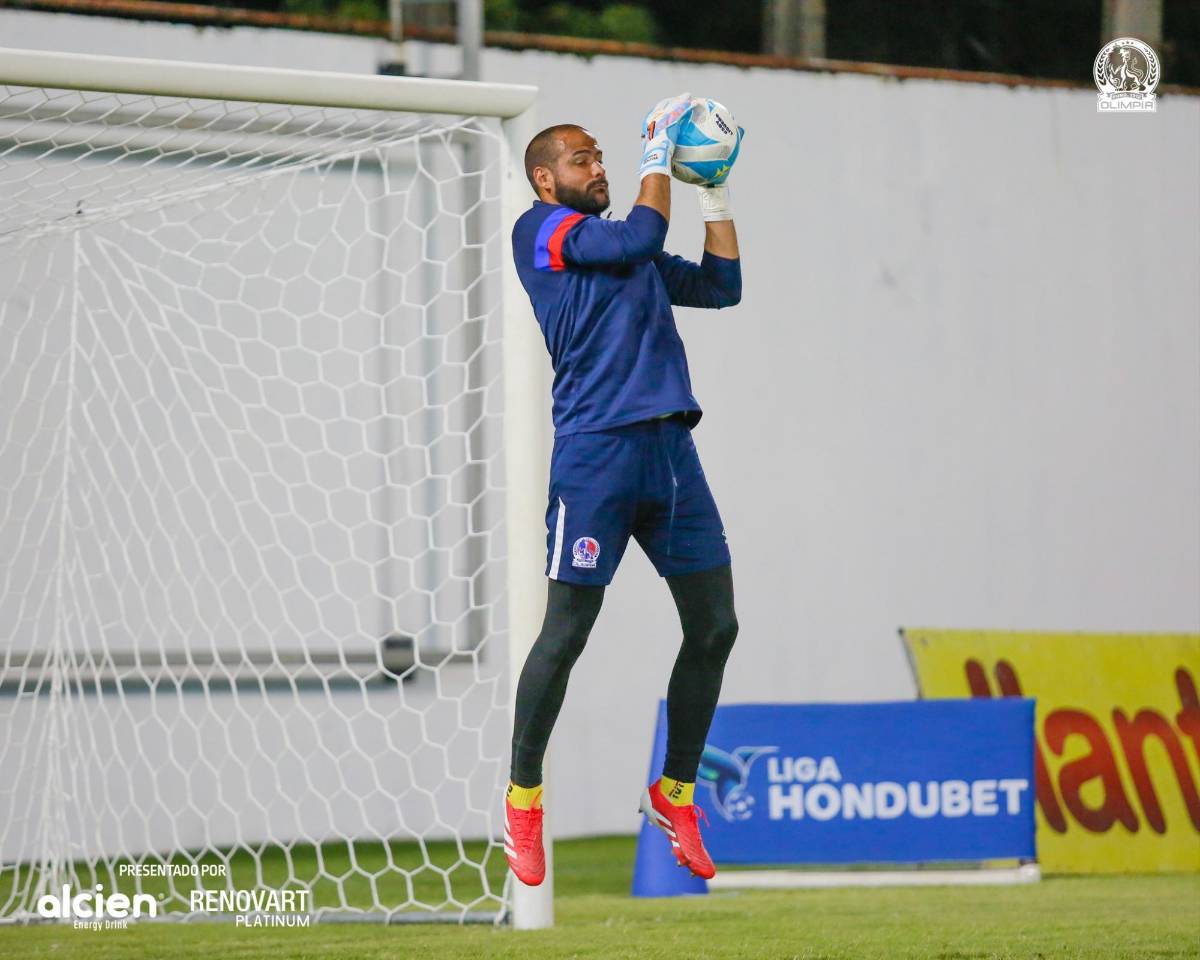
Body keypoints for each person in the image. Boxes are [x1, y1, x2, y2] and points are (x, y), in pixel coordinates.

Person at [504, 93, 744, 886]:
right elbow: (642, 230)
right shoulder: (540, 232)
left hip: (669, 450)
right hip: (597, 456)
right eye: (583, 158)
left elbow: (721, 286)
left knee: (715, 628)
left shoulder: (625, 249)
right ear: (546, 180)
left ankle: (675, 794)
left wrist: (714, 191)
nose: (599, 165)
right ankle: (525, 800)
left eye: (605, 155)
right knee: (567, 633)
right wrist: (654, 158)